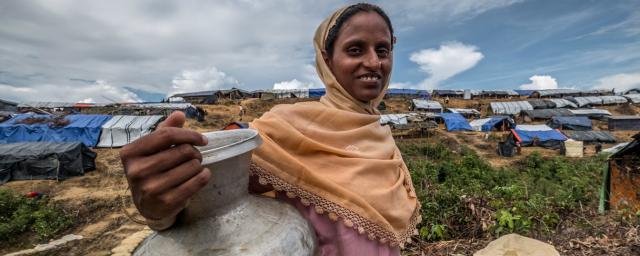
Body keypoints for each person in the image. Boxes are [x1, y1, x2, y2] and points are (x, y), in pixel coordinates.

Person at [120, 3, 420, 256]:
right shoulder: (284, 128)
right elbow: (206, 205)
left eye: (382, 50)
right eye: (355, 50)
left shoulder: (379, 132)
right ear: (327, 61)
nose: (373, 62)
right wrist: (160, 205)